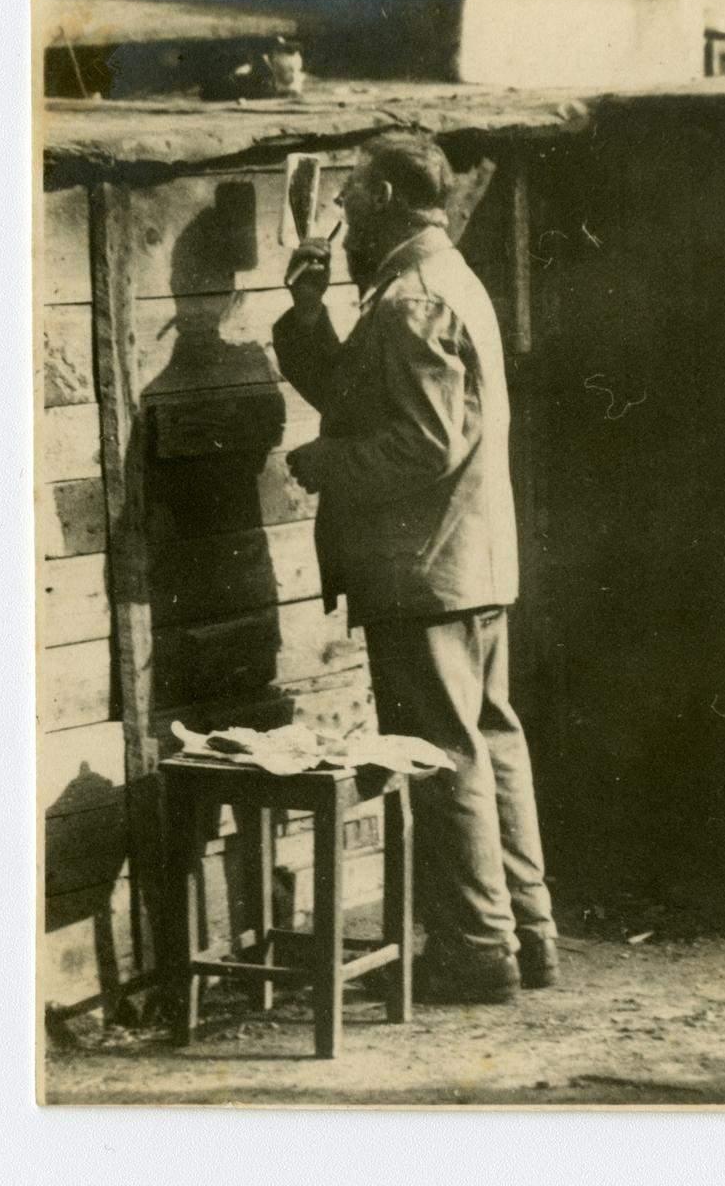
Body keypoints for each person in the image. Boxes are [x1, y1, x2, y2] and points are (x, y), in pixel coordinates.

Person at [272, 131, 558, 1003]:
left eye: (353, 192)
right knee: (490, 745)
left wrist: (324, 463)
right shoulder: (442, 278)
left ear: (387, 198)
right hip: (469, 563)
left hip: (423, 569)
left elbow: (425, 442)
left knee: (443, 756)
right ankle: (527, 936)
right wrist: (308, 313)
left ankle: (476, 952)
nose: (341, 206)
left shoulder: (408, 299)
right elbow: (369, 397)